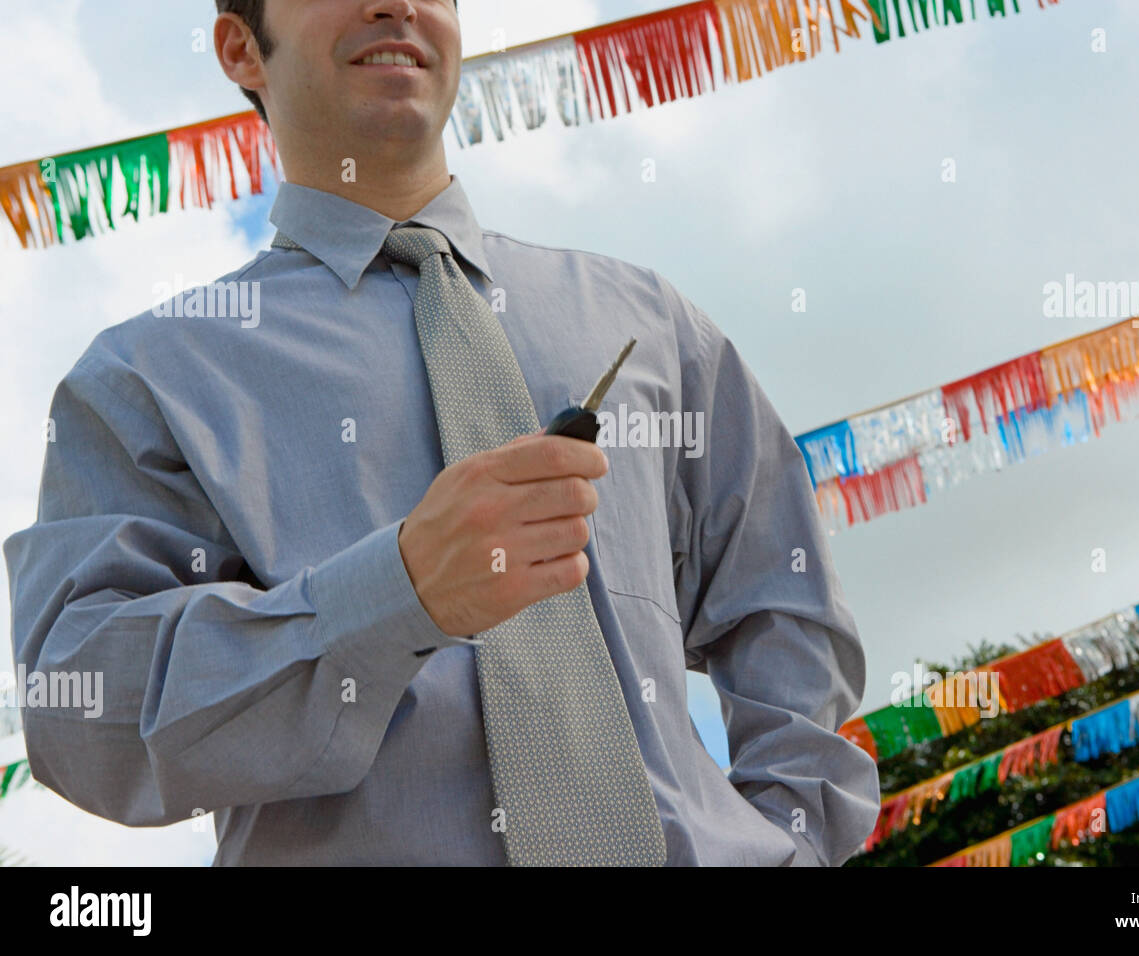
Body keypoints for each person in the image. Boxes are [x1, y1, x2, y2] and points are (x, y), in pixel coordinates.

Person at [3, 0, 879, 865]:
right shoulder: (147, 378)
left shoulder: (649, 322)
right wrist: (395, 593)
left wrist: (792, 831)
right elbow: (80, 716)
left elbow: (786, 599)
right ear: (241, 48)